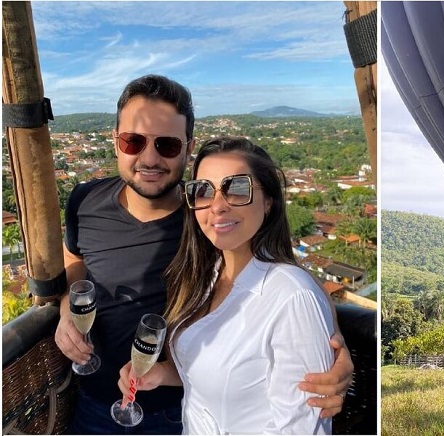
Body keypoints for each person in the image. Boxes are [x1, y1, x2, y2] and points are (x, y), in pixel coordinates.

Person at [54, 75, 352, 434]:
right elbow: (74, 260)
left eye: (166, 145)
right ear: (115, 142)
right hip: (97, 400)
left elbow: (292, 283)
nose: (149, 158)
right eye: (133, 141)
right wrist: (67, 306)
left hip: (178, 410)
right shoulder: (84, 201)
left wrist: (334, 348)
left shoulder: (207, 216)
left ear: (187, 148)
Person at [117, 136, 338, 433]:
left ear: (269, 201)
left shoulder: (291, 296)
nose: (217, 206)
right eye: (203, 191)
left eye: (237, 189)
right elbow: (227, 375)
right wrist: (162, 374)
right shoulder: (208, 273)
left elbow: (304, 427)